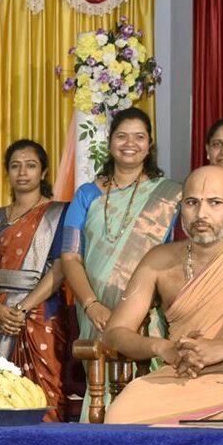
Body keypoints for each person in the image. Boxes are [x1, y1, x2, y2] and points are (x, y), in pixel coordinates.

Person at [101, 165, 223, 445]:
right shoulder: (160, 260)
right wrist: (163, 348)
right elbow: (116, 331)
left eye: (215, 203)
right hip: (177, 376)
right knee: (122, 416)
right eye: (192, 203)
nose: (201, 213)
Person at [61, 108, 182, 386]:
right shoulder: (86, 194)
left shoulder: (170, 196)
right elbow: (69, 256)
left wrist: (146, 306)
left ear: (150, 145)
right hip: (95, 311)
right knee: (100, 385)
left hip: (148, 313)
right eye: (122, 136)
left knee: (148, 385)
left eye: (139, 137)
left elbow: (177, 258)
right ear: (110, 142)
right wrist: (92, 305)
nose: (130, 143)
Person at [0, 140, 67, 424]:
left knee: (45, 394)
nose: (22, 172)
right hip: (1, 314)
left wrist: (22, 309)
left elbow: (60, 269)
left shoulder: (58, 213)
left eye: (30, 165)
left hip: (42, 313)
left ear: (43, 172)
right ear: (7, 172)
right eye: (15, 166)